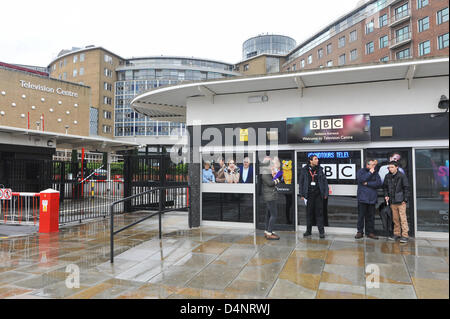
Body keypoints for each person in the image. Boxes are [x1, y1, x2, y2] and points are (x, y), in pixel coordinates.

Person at [299, 155, 329, 238]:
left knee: (319, 213)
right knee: (309, 214)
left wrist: (326, 193)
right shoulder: (304, 170)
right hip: (309, 195)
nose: (317, 160)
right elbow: (301, 182)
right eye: (315, 159)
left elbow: (324, 182)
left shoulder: (320, 170)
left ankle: (321, 232)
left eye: (317, 159)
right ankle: (308, 231)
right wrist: (301, 194)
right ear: (310, 161)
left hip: (318, 195)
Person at [383, 161, 410, 243]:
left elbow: (406, 188)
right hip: (392, 201)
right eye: (389, 167)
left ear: (396, 167)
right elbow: (385, 187)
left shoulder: (402, 176)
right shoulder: (387, 176)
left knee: (403, 219)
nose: (390, 169)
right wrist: (386, 195)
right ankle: (396, 234)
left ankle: (405, 235)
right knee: (395, 219)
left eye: (392, 167)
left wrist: (405, 199)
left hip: (401, 201)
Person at [355, 159, 382, 240]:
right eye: (372, 164)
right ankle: (360, 232)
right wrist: (370, 173)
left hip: (372, 198)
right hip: (362, 198)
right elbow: (361, 180)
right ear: (367, 165)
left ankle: (370, 232)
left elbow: (378, 183)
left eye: (374, 164)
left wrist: (368, 183)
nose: (374, 166)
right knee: (361, 216)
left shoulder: (376, 173)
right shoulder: (361, 172)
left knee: (370, 217)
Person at [261, 156, 281, 240]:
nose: (272, 165)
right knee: (274, 215)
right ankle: (269, 233)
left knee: (269, 214)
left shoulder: (267, 171)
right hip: (270, 197)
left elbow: (272, 179)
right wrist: (278, 179)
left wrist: (276, 175)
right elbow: (270, 183)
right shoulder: (265, 172)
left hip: (270, 196)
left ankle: (267, 231)